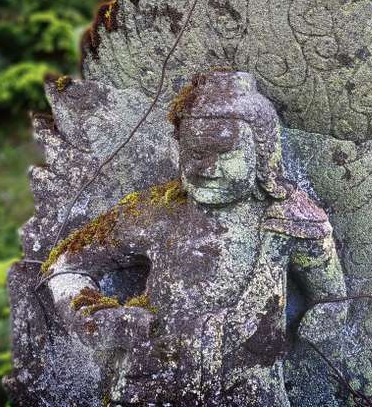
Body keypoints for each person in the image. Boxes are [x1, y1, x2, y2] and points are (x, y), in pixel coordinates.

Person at [45, 71, 346, 406]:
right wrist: (92, 318)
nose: (207, 168)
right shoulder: (155, 212)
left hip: (247, 385)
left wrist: (323, 321)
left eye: (225, 152)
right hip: (151, 377)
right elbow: (66, 264)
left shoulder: (291, 221)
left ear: (262, 153)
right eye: (195, 151)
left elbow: (332, 298)